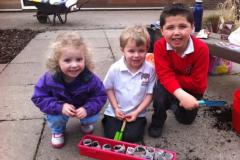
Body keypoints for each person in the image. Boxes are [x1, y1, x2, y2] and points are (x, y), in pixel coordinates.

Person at [31, 32, 107, 148]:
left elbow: (100, 96)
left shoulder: (90, 78)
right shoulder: (49, 78)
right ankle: (57, 130)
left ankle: (85, 122)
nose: (74, 65)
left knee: (92, 115)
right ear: (57, 61)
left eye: (79, 59)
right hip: (60, 108)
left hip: (82, 107)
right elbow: (39, 97)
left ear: (85, 60)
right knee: (55, 117)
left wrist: (87, 109)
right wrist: (59, 107)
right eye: (67, 60)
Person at [148, 3, 209, 138]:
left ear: (193, 27)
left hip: (189, 89)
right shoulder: (160, 46)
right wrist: (181, 93)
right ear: (162, 31)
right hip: (170, 86)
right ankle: (158, 120)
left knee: (186, 120)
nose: (176, 32)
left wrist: (171, 78)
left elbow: (199, 84)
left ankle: (174, 104)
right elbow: (164, 76)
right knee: (160, 93)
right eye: (170, 27)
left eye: (182, 26)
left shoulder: (201, 49)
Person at [102, 25, 156, 142]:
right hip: (115, 112)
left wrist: (137, 112)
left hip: (137, 113)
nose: (136, 55)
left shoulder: (150, 69)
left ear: (147, 49)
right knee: (111, 136)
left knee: (133, 137)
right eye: (131, 51)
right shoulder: (115, 68)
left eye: (141, 51)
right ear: (123, 50)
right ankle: (108, 121)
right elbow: (109, 89)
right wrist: (116, 108)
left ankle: (139, 123)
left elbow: (150, 94)